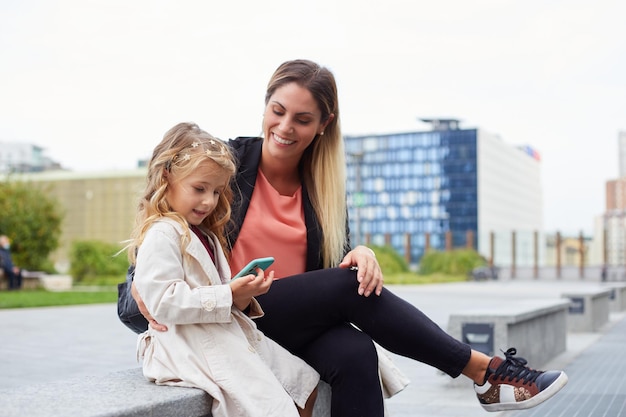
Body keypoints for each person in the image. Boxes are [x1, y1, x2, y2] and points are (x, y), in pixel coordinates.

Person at [122, 59, 568, 416]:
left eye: (302, 118)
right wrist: (142, 298)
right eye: (277, 111)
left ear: (323, 124)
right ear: (264, 107)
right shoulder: (221, 169)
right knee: (343, 287)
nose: (284, 127)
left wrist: (361, 253)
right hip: (236, 319)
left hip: (293, 326)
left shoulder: (324, 190)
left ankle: (488, 376)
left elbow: (334, 271)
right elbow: (146, 275)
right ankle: (483, 370)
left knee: (357, 352)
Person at [128, 122, 319, 417]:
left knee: (305, 383)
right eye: (199, 188)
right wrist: (227, 293)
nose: (209, 201)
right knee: (273, 406)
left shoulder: (205, 234)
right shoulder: (162, 233)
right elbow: (164, 303)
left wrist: (242, 293)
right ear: (167, 177)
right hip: (187, 344)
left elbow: (220, 298)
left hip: (223, 333)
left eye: (216, 191)